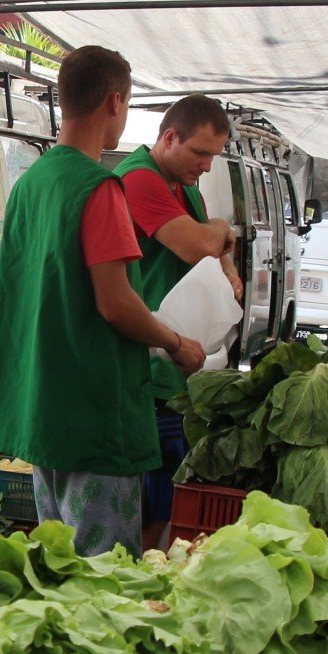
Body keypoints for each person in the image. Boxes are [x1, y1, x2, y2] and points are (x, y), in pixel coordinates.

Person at [0, 46, 207, 559]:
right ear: (114, 102)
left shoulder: (31, 183)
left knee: (58, 567)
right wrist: (175, 343)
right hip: (94, 418)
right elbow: (116, 303)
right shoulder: (99, 187)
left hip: (45, 413)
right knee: (102, 582)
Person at [114, 93, 237, 549]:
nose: (206, 166)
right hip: (144, 363)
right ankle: (136, 573)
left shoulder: (183, 186)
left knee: (164, 493)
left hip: (175, 365)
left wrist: (224, 254)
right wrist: (222, 229)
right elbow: (199, 245)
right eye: (200, 153)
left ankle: (145, 567)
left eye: (213, 157)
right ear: (169, 137)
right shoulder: (139, 180)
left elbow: (214, 250)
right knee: (147, 495)